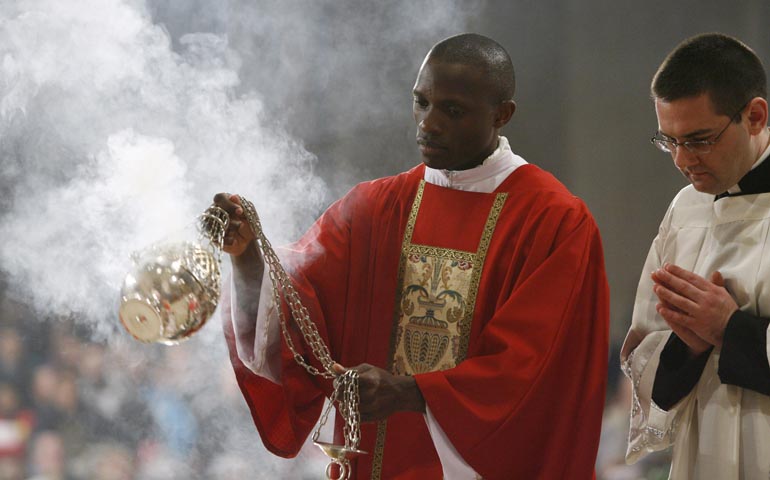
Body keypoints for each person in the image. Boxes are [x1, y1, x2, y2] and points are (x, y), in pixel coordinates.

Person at [217, 33, 609, 479]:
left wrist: (412, 393)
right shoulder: (376, 207)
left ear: (502, 115)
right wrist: (247, 257)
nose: (429, 123)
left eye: (452, 110)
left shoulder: (553, 221)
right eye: (421, 102)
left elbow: (534, 370)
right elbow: (302, 306)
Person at [621, 33, 770, 479]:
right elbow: (646, 352)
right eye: (670, 141)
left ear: (755, 116)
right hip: (704, 453)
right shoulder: (686, 209)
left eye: (700, 140)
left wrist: (730, 329)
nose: (683, 161)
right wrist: (686, 345)